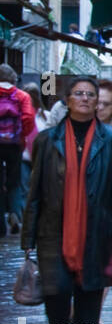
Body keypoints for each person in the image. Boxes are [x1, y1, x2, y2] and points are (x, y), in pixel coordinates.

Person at [21, 76, 112, 324]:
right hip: (53, 231)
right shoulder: (47, 140)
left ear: (96, 101)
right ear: (68, 100)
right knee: (57, 294)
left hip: (97, 230)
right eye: (78, 94)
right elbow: (34, 192)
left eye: (90, 95)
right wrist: (28, 237)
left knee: (89, 294)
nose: (85, 99)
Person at [0, 64, 36, 234]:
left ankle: (0, 223)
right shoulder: (22, 96)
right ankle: (14, 213)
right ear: (13, 78)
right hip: (14, 145)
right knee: (14, 182)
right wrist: (21, 136)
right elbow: (29, 118)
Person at [20, 82, 51, 229]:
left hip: (42, 160)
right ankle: (26, 220)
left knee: (40, 190)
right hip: (24, 158)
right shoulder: (18, 114)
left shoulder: (46, 116)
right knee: (26, 190)